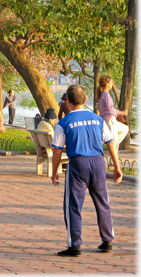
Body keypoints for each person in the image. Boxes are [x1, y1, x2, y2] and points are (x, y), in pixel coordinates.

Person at [51, 85, 122, 257]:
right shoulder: (98, 119)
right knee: (102, 202)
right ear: (85, 100)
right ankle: (107, 241)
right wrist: (117, 167)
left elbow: (57, 150)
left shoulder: (64, 122)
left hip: (77, 164)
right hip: (98, 162)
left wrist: (55, 171)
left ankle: (75, 245)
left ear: (67, 101)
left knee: (73, 205)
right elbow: (110, 142)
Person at [97, 76, 129, 152]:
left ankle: (108, 144)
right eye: (111, 82)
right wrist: (122, 112)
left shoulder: (103, 95)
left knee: (125, 129)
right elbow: (110, 109)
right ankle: (113, 160)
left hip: (109, 120)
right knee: (114, 142)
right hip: (110, 120)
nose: (112, 84)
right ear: (107, 84)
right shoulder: (105, 95)